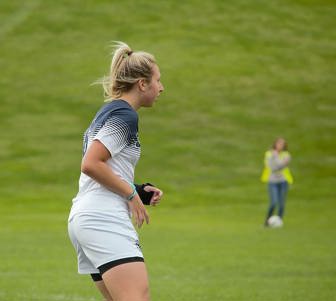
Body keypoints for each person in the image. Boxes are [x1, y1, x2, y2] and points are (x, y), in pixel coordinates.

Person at [68, 41, 164, 301]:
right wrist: (130, 195)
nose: (161, 88)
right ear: (142, 84)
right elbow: (91, 164)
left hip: (87, 214)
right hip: (103, 216)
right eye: (157, 80)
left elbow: (104, 168)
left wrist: (137, 190)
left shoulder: (109, 111)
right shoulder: (125, 115)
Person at [261, 138, 293, 226]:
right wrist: (276, 158)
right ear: (275, 144)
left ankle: (279, 222)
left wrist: (275, 157)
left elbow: (280, 166)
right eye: (278, 144)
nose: (280, 146)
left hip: (283, 181)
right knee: (273, 202)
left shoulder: (287, 155)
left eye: (282, 144)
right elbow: (271, 167)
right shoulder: (268, 154)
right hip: (272, 181)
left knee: (281, 204)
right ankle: (267, 222)